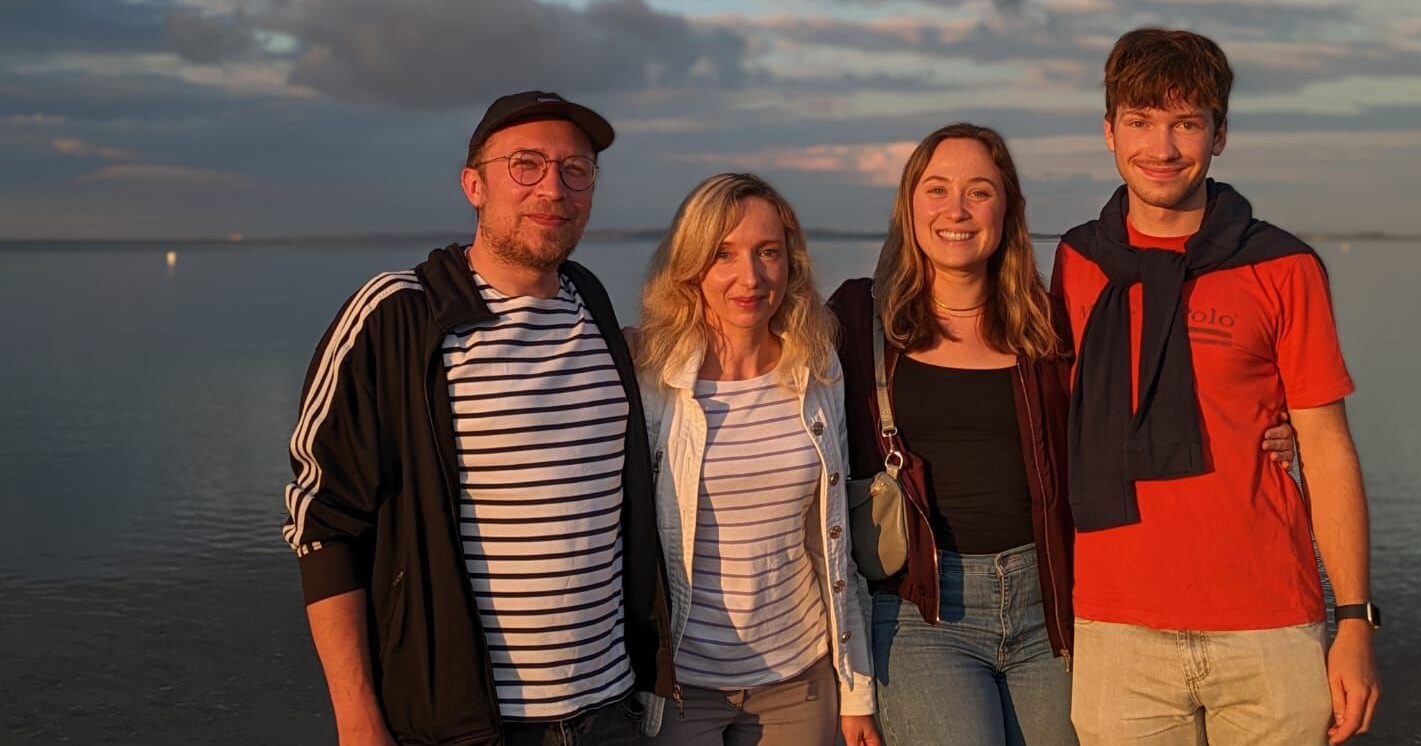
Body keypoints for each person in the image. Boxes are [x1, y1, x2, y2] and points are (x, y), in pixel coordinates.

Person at [282, 91, 671, 746]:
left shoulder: (592, 304)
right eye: (526, 165)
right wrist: (357, 718)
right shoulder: (400, 315)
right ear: (474, 185)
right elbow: (323, 524)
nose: (554, 188)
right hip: (468, 724)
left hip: (611, 711)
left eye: (576, 170)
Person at [1054, 28, 1380, 746]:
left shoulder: (1282, 266)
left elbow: (1327, 448)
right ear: (1109, 132)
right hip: (1115, 623)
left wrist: (1355, 620)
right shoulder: (1078, 261)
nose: (1162, 147)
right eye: (1140, 122)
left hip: (1267, 622)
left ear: (1220, 134)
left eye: (1186, 123)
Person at [829, 122, 1077, 746]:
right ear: (909, 205)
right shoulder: (860, 317)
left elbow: (1120, 422)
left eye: (979, 191)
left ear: (1008, 207)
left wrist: (1272, 424)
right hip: (920, 612)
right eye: (937, 189)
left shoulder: (1048, 326)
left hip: (1049, 607)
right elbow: (765, 367)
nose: (956, 210)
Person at [631, 173, 880, 746]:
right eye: (723, 254)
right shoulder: (653, 381)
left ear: (791, 263)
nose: (751, 277)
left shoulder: (816, 369)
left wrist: (856, 691)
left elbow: (833, 542)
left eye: (768, 252)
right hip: (682, 687)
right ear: (690, 265)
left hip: (799, 676)